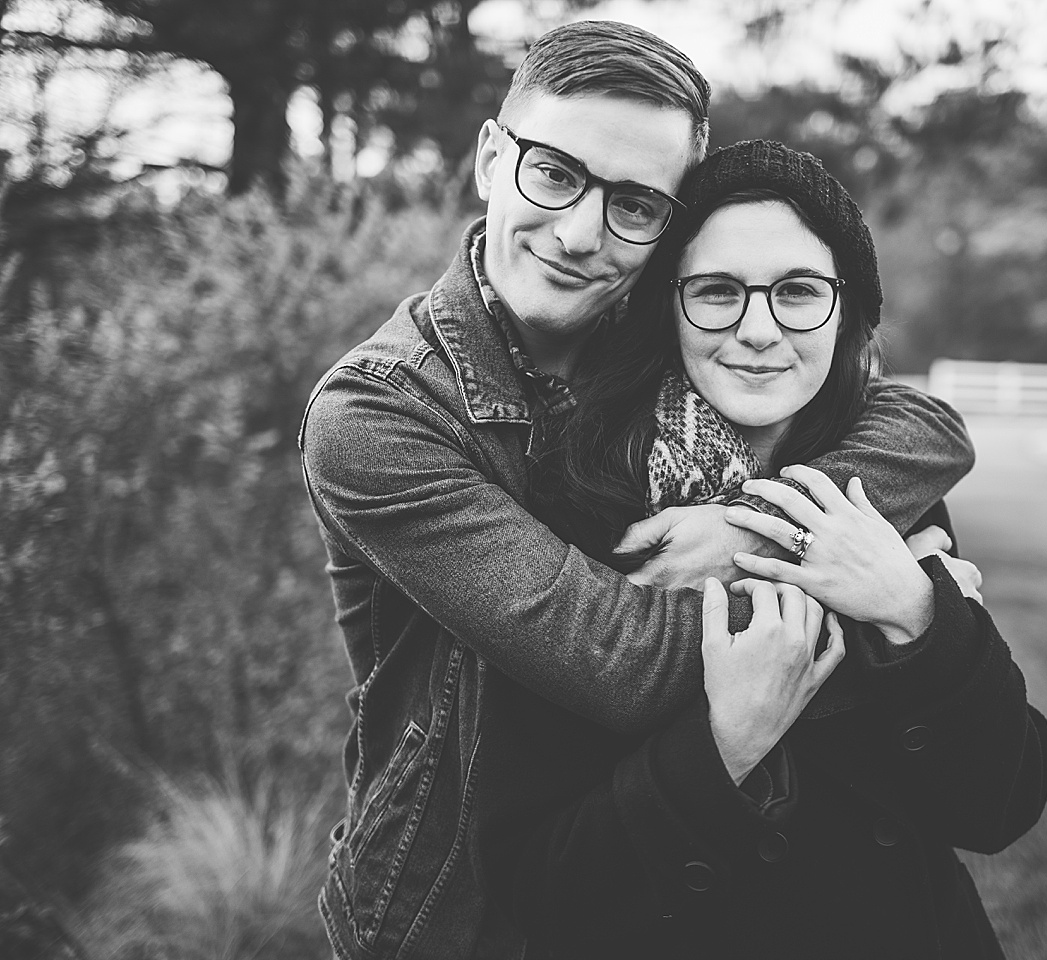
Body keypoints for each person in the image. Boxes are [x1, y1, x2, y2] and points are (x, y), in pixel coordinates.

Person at [298, 23, 975, 960]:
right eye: (555, 174)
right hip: (462, 897)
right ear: (492, 158)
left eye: (635, 204)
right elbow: (629, 664)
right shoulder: (380, 416)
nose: (581, 234)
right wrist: (901, 609)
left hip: (646, 870)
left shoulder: (658, 330)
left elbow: (922, 424)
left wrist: (745, 526)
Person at [477, 140, 1047, 959]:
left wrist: (914, 611)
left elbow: (1000, 805)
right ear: (663, 306)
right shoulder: (578, 500)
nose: (758, 331)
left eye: (796, 292)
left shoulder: (874, 495)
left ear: (844, 307)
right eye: (715, 291)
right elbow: (543, 888)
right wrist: (726, 741)